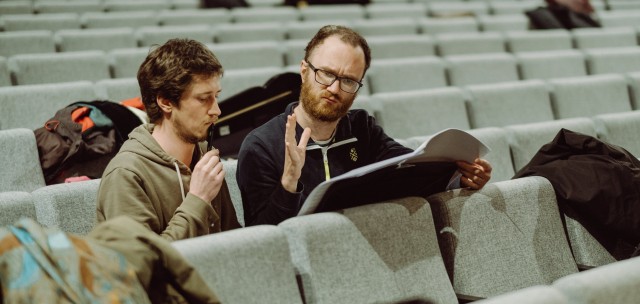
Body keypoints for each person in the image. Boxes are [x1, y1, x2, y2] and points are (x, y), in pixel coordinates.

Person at [236, 25, 493, 226]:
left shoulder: (361, 128)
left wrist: (461, 177)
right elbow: (264, 242)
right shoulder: (262, 146)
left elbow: (410, 169)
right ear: (304, 71)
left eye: (348, 80)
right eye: (325, 73)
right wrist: (289, 184)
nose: (334, 89)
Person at [96, 38, 241, 241]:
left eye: (216, 96)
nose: (216, 110)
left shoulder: (203, 155)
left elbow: (232, 239)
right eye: (203, 98)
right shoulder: (126, 175)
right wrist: (198, 200)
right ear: (165, 102)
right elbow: (144, 265)